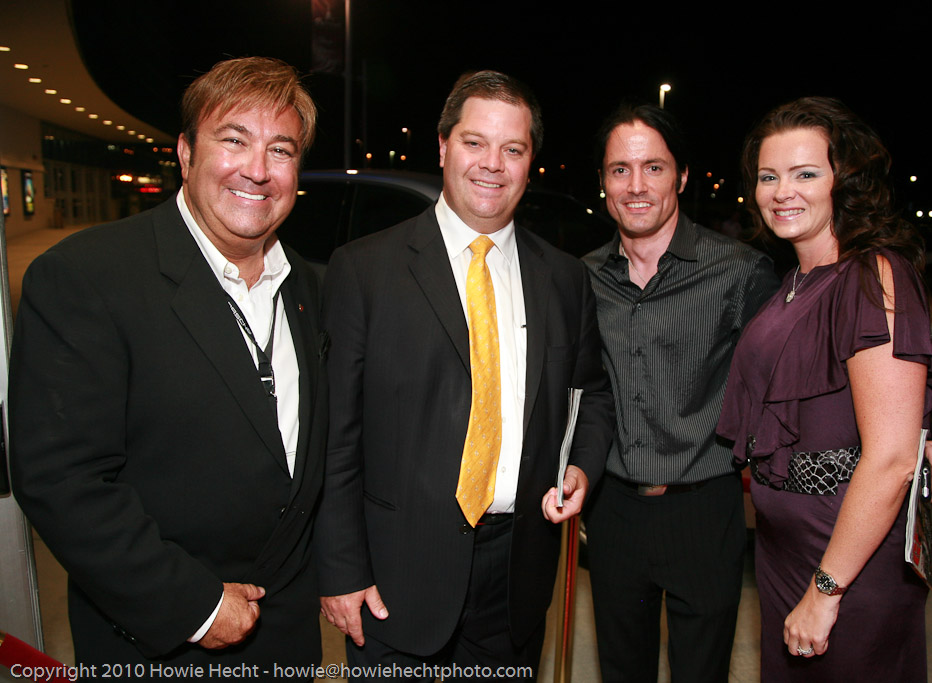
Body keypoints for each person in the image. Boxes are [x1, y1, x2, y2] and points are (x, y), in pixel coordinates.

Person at [10, 57, 326, 674]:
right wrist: (195, 607)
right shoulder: (86, 277)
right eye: (233, 140)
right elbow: (61, 480)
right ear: (185, 153)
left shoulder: (313, 289)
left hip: (288, 639)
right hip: (159, 643)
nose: (257, 169)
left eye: (281, 150)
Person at [315, 70, 614, 678]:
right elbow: (336, 438)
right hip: (395, 575)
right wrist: (341, 569)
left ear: (530, 161)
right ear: (444, 146)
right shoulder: (364, 271)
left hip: (517, 577)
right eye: (475, 142)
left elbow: (593, 395)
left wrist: (580, 466)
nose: (492, 164)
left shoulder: (564, 279)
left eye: (513, 149)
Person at [717, 96, 932, 681]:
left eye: (805, 174)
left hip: (846, 558)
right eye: (768, 177)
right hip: (782, 552)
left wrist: (826, 590)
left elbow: (891, 457)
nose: (782, 192)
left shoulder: (873, 274)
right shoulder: (795, 280)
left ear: (843, 181)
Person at [581, 102, 778, 682]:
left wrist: (907, 429)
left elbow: (793, 380)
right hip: (613, 513)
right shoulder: (580, 278)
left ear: (682, 176)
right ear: (603, 182)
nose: (636, 186)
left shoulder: (740, 272)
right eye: (619, 169)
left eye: (654, 167)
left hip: (705, 511)